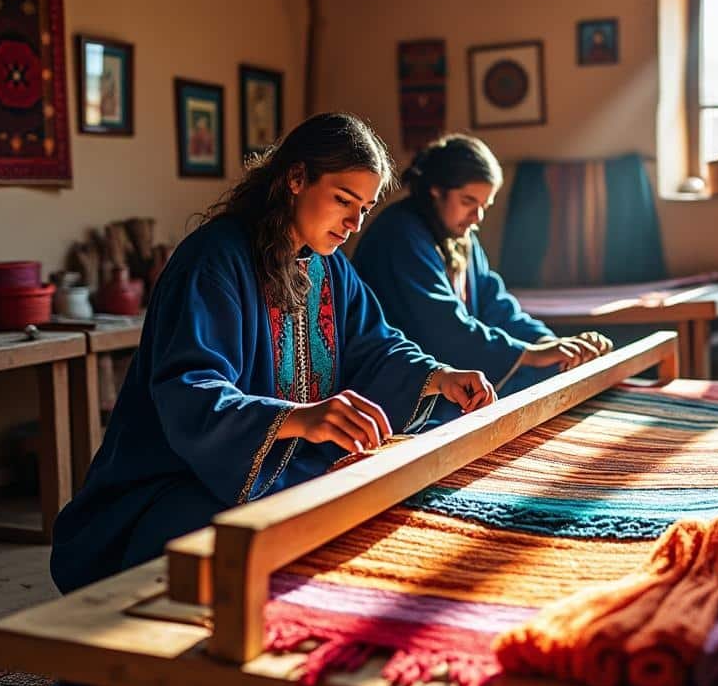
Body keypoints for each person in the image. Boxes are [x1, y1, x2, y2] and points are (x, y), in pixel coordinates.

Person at [51, 113, 495, 593]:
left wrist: (437, 375)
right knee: (252, 547)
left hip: (284, 464)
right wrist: (301, 419)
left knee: (387, 493)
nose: (353, 223)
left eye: (364, 209)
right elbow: (191, 391)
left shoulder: (330, 269)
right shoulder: (214, 261)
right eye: (343, 200)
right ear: (296, 178)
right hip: (182, 478)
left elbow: (374, 345)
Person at [353, 133, 612, 426]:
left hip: (458, 365)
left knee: (555, 371)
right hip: (412, 384)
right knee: (525, 385)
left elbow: (495, 304)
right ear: (436, 189)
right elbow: (443, 327)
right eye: (468, 201)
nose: (476, 217)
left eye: (483, 207)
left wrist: (552, 345)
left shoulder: (461, 236)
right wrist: (529, 354)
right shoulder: (400, 235)